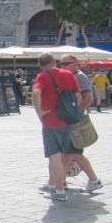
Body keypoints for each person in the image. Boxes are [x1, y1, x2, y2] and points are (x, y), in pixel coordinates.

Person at [32, 52, 82, 202]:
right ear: (54, 61)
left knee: (54, 157)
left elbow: (36, 92)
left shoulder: (43, 76)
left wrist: (39, 111)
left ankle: (59, 191)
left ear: (40, 65)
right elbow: (78, 97)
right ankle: (52, 184)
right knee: (61, 155)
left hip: (51, 121)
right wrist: (70, 111)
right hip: (67, 121)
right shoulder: (68, 74)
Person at [57, 55, 103, 194]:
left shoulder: (80, 77)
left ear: (75, 64)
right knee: (65, 153)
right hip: (67, 121)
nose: (63, 67)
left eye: (66, 64)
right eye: (61, 64)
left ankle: (94, 180)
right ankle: (62, 182)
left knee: (75, 153)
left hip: (74, 122)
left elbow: (88, 99)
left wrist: (74, 113)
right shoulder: (72, 76)